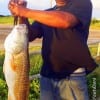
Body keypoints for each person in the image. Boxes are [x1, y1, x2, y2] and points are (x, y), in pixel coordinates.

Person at [8, 0, 98, 100]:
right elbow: (30, 34)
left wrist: (25, 11)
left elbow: (66, 21)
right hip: (47, 75)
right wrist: (22, 15)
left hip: (72, 76)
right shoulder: (47, 13)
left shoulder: (82, 3)